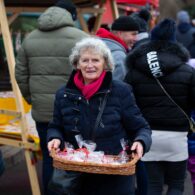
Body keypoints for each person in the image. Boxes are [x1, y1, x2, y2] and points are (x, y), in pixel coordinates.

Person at [47, 37, 152, 195]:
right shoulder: (64, 94)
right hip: (77, 174)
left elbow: (141, 127)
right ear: (77, 64)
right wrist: (55, 137)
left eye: (95, 60)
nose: (90, 65)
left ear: (105, 63)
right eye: (85, 60)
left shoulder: (121, 91)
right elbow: (56, 126)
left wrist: (141, 142)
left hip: (114, 175)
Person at [15, 0, 88, 194]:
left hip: (44, 112)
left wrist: (33, 99)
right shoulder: (81, 38)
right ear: (71, 16)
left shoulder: (30, 39)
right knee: (78, 157)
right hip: (76, 110)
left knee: (50, 157)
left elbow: (20, 75)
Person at [125, 18, 195, 195]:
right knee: (177, 184)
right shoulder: (187, 71)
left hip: (147, 135)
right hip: (177, 135)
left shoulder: (135, 69)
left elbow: (127, 102)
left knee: (153, 185)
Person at [96, 15, 139, 80]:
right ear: (120, 33)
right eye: (133, 34)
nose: (136, 39)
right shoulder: (119, 56)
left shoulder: (95, 46)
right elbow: (118, 86)